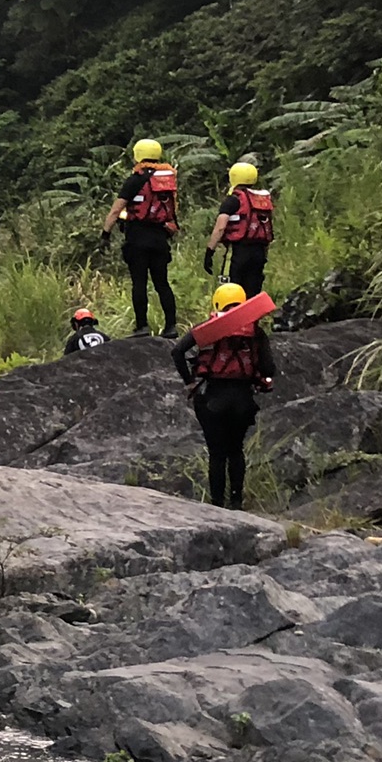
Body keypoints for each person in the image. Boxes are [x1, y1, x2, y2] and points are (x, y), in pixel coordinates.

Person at [175, 282, 276, 509]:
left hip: (213, 398)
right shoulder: (256, 333)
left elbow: (177, 352)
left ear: (218, 303)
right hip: (243, 400)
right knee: (236, 450)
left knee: (217, 453)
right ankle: (237, 502)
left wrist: (189, 382)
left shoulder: (208, 329)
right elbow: (269, 368)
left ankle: (217, 504)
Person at [100, 138, 179, 336]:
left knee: (139, 283)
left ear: (138, 155)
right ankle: (171, 326)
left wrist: (105, 234)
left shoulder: (135, 180)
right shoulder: (167, 181)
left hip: (137, 238)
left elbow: (116, 210)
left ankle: (142, 327)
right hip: (160, 238)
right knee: (162, 283)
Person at [205, 160, 275, 297]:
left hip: (238, 252)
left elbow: (220, 228)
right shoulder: (262, 201)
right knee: (252, 293)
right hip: (259, 253)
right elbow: (266, 229)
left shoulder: (233, 200)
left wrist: (210, 251)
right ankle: (253, 312)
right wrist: (264, 255)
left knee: (231, 292)